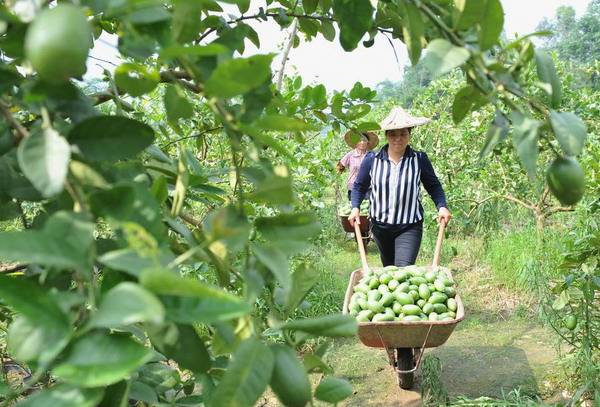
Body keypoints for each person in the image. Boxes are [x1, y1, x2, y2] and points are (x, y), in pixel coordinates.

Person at [348, 107, 452, 267]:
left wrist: (442, 206)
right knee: (389, 271)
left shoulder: (419, 159)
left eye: (403, 133)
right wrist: (355, 207)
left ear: (409, 134)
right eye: (393, 134)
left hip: (409, 225)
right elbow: (359, 187)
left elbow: (434, 186)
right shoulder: (372, 159)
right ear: (386, 136)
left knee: (403, 270)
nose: (398, 138)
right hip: (380, 226)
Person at [337, 130, 378, 201]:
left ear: (367, 142)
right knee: (354, 208)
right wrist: (340, 170)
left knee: (367, 208)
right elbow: (340, 165)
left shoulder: (372, 155)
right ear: (356, 142)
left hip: (368, 188)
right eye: (360, 140)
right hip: (353, 187)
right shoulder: (350, 155)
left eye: (364, 140)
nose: (362, 143)